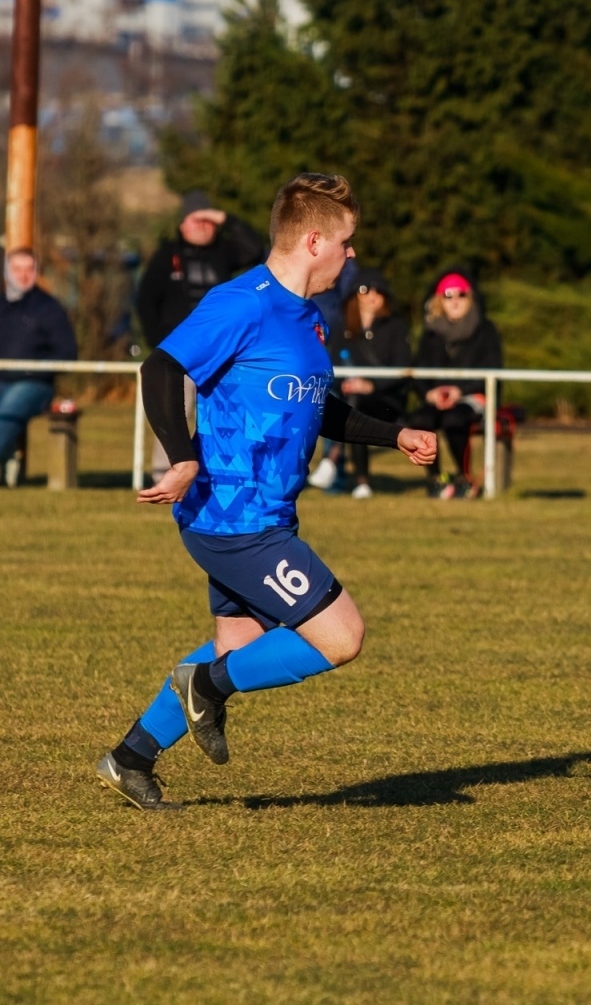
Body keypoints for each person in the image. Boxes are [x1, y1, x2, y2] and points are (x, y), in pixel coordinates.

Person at [95, 173, 438, 811]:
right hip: (234, 518)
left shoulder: (307, 316)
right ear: (314, 241)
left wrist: (396, 436)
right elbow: (161, 366)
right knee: (340, 636)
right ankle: (206, 685)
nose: (353, 256)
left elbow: (317, 409)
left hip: (265, 514)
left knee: (242, 650)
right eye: (348, 242)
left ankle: (131, 756)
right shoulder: (243, 302)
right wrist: (182, 457)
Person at [135, 190, 266, 477]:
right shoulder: (167, 256)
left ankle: (227, 472)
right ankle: (166, 473)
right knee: (175, 411)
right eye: (197, 220)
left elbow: (256, 249)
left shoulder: (223, 253)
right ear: (182, 224)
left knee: (226, 411)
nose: (204, 226)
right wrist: (161, 346)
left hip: (222, 351)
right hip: (179, 353)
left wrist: (224, 218)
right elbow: (145, 301)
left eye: (209, 221)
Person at [309, 268, 412, 499]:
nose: (372, 295)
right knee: (345, 404)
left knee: (354, 407)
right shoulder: (343, 328)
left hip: (387, 399)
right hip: (351, 395)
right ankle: (355, 479)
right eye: (365, 289)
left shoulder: (396, 327)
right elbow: (332, 360)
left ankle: (333, 462)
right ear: (355, 294)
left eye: (378, 290)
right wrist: (348, 381)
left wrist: (371, 385)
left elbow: (402, 368)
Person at [408, 270, 503, 498]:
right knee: (420, 420)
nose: (455, 301)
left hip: (473, 395)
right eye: (448, 296)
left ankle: (463, 476)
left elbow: (493, 369)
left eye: (461, 295)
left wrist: (460, 391)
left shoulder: (485, 329)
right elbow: (418, 372)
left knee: (455, 419)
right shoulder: (431, 332)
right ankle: (435, 478)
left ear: (471, 298)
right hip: (437, 396)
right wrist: (428, 393)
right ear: (439, 301)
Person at [0, 249, 78, 483]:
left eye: (29, 269)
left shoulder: (48, 308)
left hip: (33, 383)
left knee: (5, 414)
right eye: (17, 269)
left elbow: (67, 352)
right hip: (3, 379)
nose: (24, 275)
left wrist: (33, 370)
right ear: (6, 273)